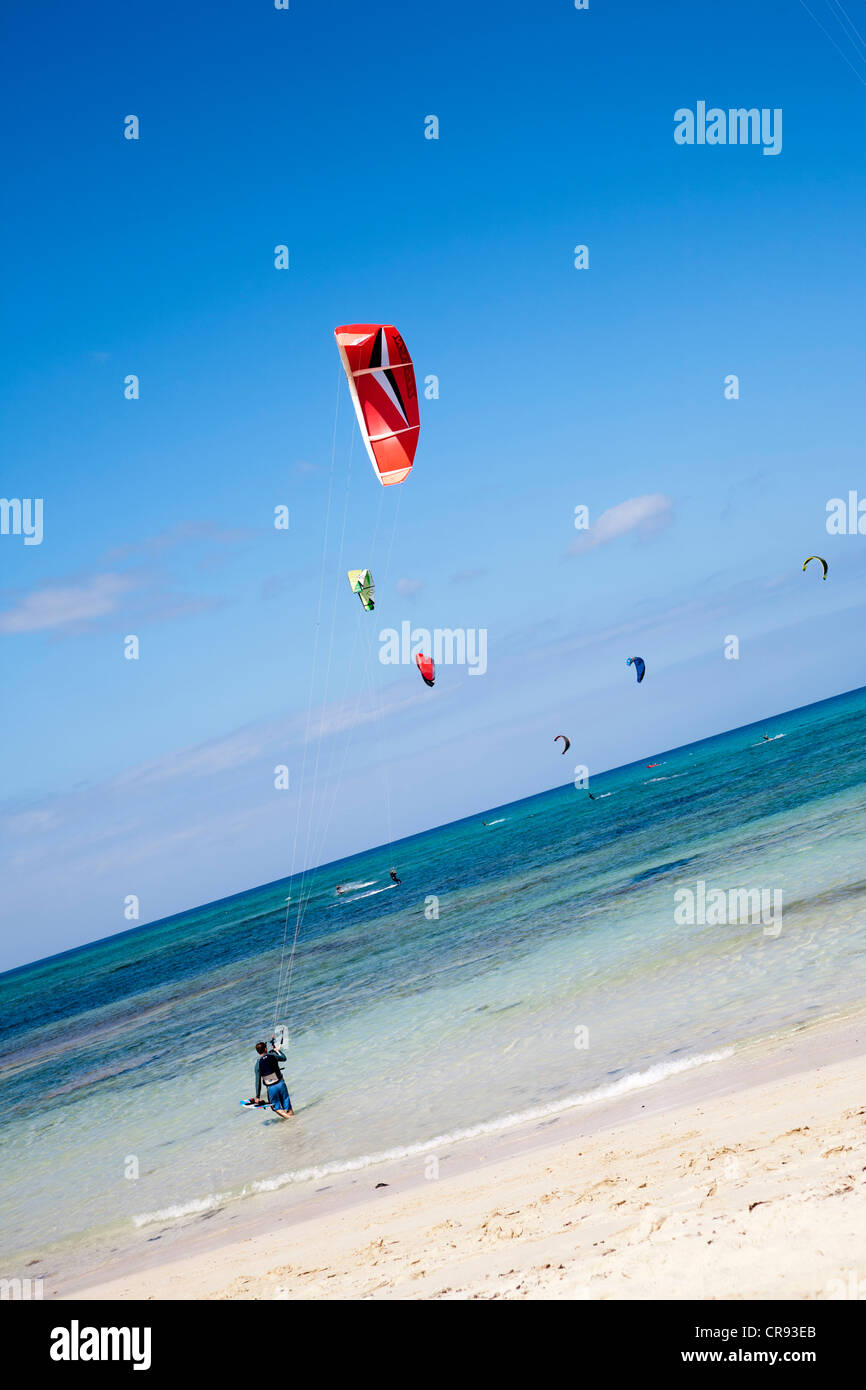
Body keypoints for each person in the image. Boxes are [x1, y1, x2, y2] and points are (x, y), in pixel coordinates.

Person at [253, 1039, 294, 1118]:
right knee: (287, 1106)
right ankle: (294, 1120)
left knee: (275, 1108)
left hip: (271, 1088)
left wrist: (257, 1097)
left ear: (258, 1052)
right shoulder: (272, 1055)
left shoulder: (257, 1064)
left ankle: (292, 1120)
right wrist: (277, 1050)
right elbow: (284, 1058)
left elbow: (257, 1081)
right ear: (265, 1049)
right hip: (281, 1084)